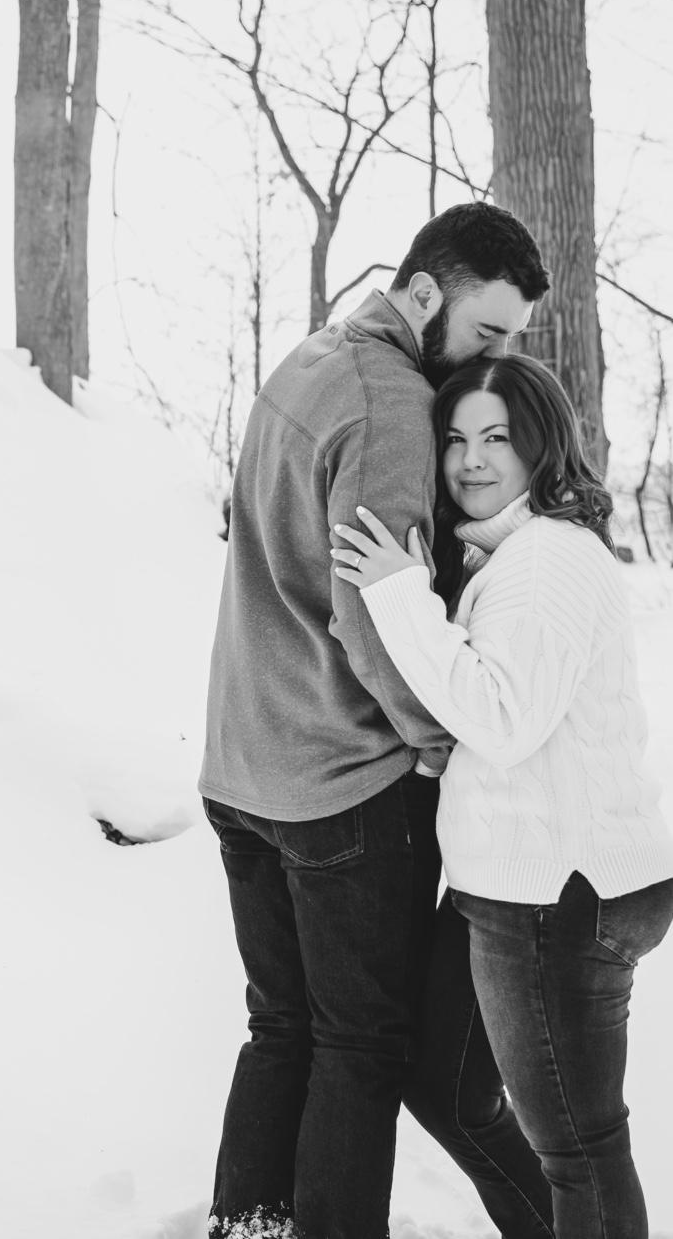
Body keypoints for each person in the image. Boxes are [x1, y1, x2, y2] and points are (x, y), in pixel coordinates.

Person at [200, 201, 550, 1239]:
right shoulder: (392, 403)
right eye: (485, 333)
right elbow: (372, 612)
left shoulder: (307, 362)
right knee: (359, 1045)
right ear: (425, 293)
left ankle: (248, 1225)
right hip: (342, 780)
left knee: (281, 1026)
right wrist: (436, 741)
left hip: (243, 765)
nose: (494, 361)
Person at [332, 354, 673, 1239]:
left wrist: (399, 596)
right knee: (445, 1085)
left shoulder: (547, 560)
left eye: (496, 437)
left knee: (582, 1147)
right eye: (455, 440)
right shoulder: (514, 557)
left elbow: (505, 718)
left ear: (540, 445)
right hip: (512, 887)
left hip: (558, 892)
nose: (471, 460)